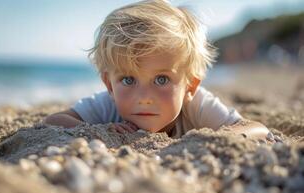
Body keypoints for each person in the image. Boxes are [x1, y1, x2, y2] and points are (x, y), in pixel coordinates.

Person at [43, 0, 274, 142]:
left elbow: (256, 128)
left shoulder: (197, 106)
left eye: (161, 79)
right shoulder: (107, 105)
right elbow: (53, 121)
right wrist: (99, 130)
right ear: (109, 85)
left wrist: (221, 137)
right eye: (128, 79)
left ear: (190, 86)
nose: (143, 98)